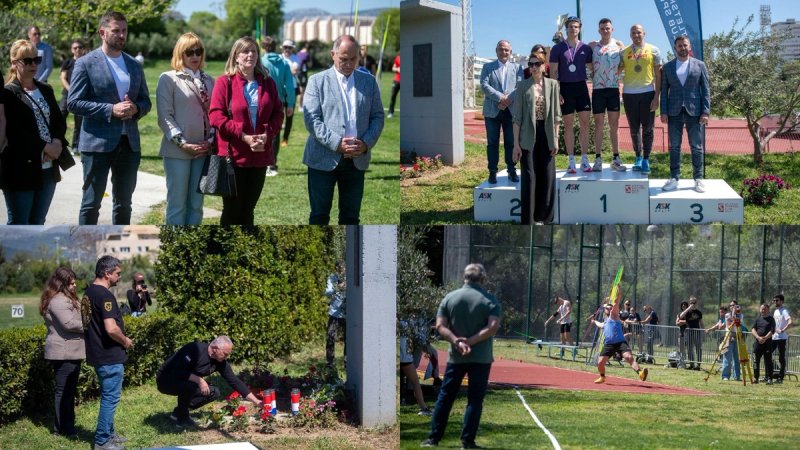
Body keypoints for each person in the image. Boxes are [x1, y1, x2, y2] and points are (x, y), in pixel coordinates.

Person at [67, 11, 152, 225]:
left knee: (124, 203)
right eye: (116, 31)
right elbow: (74, 102)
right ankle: (84, 248)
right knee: (91, 203)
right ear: (102, 33)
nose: (122, 35)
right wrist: (110, 110)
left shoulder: (134, 64)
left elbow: (145, 101)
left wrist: (136, 108)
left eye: (124, 31)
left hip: (129, 144)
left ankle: (118, 245)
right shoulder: (85, 63)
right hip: (97, 145)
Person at [302, 35, 384, 225]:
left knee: (350, 218)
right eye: (343, 58)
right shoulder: (316, 81)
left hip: (357, 160)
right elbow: (311, 119)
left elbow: (378, 117)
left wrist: (365, 144)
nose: (348, 63)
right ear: (333, 54)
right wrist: (337, 143)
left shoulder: (369, 82)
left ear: (359, 57)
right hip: (322, 159)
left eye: (353, 59)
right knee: (319, 216)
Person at [421, 263, 501, 449]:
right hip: (481, 358)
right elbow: (492, 327)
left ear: (464, 277)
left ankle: (433, 438)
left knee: (445, 396)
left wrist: (457, 342)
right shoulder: (490, 300)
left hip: (456, 358)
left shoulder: (450, 298)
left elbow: (440, 326)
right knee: (475, 399)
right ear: (483, 278)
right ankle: (468, 441)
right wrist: (470, 342)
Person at [208, 36, 283, 226]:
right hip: (233, 158)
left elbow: (278, 114)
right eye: (245, 51)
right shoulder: (225, 82)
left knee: (249, 210)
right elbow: (216, 116)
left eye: (254, 51)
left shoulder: (268, 83)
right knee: (233, 210)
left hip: (260, 157)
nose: (250, 55)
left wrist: (267, 135)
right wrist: (243, 136)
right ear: (236, 56)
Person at [2, 39, 68, 224]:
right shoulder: (8, 93)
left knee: (38, 222)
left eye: (36, 60)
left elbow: (58, 121)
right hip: (20, 168)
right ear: (14, 63)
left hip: (48, 169)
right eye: (27, 61)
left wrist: (57, 142)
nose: (33, 65)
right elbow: (14, 131)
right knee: (19, 224)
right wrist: (44, 147)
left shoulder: (45, 89)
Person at [156, 32, 215, 225]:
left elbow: (215, 115)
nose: (195, 56)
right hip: (177, 151)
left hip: (203, 150)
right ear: (180, 53)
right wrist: (182, 143)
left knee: (197, 204)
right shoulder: (168, 79)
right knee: (177, 204)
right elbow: (165, 117)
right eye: (189, 52)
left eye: (198, 51)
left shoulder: (210, 81)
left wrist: (211, 141)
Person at [157, 336, 263, 427]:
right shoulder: (194, 349)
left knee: (213, 392)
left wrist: (257, 401)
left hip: (187, 382)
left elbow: (234, 381)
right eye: (225, 354)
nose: (227, 356)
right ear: (215, 348)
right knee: (190, 386)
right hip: (166, 380)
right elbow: (177, 371)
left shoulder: (219, 361)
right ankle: (182, 419)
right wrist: (199, 380)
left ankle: (179, 412)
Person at [83, 255, 132, 450]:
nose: (120, 277)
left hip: (98, 354)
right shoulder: (104, 296)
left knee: (108, 396)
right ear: (107, 273)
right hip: (109, 356)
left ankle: (110, 435)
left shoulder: (88, 293)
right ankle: (102, 441)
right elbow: (111, 329)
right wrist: (126, 341)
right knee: (110, 398)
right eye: (117, 273)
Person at [512, 51, 560, 224]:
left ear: (543, 66)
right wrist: (516, 145)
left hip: (547, 133)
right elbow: (516, 118)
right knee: (529, 177)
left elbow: (556, 115)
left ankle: (545, 218)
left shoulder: (553, 85)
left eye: (536, 64)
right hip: (527, 134)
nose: (533, 67)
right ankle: (529, 220)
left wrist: (555, 137)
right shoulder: (522, 86)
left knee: (548, 176)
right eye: (530, 64)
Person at [660, 35, 710, 193]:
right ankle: (674, 178)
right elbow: (664, 91)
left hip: (694, 112)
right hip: (674, 112)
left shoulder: (700, 65)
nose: (682, 48)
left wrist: (705, 111)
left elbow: (706, 90)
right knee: (674, 147)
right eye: (679, 46)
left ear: (690, 47)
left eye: (685, 45)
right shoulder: (667, 67)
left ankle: (698, 179)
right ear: (675, 48)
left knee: (696, 147)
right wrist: (663, 111)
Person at [40, 267, 84, 437]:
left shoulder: (65, 298)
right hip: (63, 352)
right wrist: (90, 325)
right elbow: (69, 323)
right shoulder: (58, 300)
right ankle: (61, 428)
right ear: (62, 283)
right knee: (63, 390)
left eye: (74, 282)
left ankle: (67, 425)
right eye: (71, 283)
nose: (74, 285)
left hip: (70, 351)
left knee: (69, 391)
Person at [549, 16, 593, 173]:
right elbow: (553, 72)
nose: (573, 29)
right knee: (568, 125)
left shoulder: (586, 48)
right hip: (566, 88)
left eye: (576, 27)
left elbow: (593, 68)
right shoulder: (557, 48)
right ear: (566, 29)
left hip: (581, 87)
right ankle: (571, 161)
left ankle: (585, 159)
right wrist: (557, 91)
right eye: (570, 27)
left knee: (585, 124)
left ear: (580, 29)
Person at [480, 39, 522, 184]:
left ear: (510, 52)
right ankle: (492, 172)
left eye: (506, 50)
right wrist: (500, 98)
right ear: (496, 50)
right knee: (492, 143)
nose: (504, 52)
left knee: (510, 142)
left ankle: (511, 170)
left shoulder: (517, 68)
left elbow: (520, 86)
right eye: (501, 49)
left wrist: (507, 100)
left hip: (511, 111)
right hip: (492, 111)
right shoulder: (487, 67)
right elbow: (484, 85)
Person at [622, 24, 661, 173]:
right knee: (634, 128)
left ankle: (646, 159)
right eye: (633, 33)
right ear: (630, 35)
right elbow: (617, 68)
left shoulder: (654, 50)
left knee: (648, 128)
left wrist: (656, 96)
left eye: (638, 32)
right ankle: (638, 157)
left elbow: (658, 75)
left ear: (644, 33)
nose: (636, 35)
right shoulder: (624, 52)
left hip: (647, 93)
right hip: (629, 93)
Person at [589, 18, 625, 172]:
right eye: (602, 28)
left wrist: (616, 73)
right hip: (598, 89)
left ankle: (616, 158)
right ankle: (598, 159)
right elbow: (579, 55)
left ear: (612, 29)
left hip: (612, 89)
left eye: (608, 28)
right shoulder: (592, 46)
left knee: (614, 124)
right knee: (598, 124)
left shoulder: (619, 45)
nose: (605, 31)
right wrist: (592, 70)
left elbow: (623, 63)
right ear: (599, 31)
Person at [592, 292, 649, 384]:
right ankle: (602, 377)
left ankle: (641, 373)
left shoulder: (613, 314)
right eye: (606, 308)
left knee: (629, 357)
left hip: (620, 342)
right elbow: (600, 324)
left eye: (609, 307)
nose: (608, 309)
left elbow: (617, 301)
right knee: (600, 363)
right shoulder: (606, 322)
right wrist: (594, 321)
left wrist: (619, 292)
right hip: (609, 344)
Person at [260, 36, 295, 177]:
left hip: (262, 101)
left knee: (261, 131)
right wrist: (291, 103)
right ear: (276, 47)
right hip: (279, 102)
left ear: (263, 47)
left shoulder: (260, 62)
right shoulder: (284, 63)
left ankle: (263, 162)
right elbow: (290, 86)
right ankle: (272, 164)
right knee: (275, 133)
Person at [398, 318, 433, 416]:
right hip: (405, 357)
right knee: (415, 382)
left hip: (403, 356)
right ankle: (423, 408)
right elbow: (419, 336)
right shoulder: (408, 322)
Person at [59, 39, 87, 156]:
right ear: (72, 50)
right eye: (75, 48)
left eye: (80, 47)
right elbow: (63, 77)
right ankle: (58, 142)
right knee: (60, 117)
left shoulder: (86, 62)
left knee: (79, 122)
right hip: (67, 94)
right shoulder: (68, 62)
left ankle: (76, 146)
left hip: (81, 97)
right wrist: (71, 90)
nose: (78, 49)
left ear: (83, 49)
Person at [325, 260, 346, 368]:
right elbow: (327, 292)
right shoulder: (331, 278)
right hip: (334, 312)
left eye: (342, 269)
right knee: (330, 337)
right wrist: (337, 288)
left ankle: (347, 362)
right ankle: (330, 363)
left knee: (349, 338)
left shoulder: (349, 278)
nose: (341, 271)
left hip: (348, 313)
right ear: (336, 269)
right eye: (339, 269)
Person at [279, 40, 300, 148]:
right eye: (285, 47)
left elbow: (294, 71)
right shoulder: (279, 58)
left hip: (292, 89)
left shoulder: (296, 58)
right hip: (280, 90)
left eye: (289, 47)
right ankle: (275, 138)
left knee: (289, 115)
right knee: (278, 114)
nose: (287, 49)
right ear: (282, 48)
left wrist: (281, 71)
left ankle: (285, 139)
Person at [751, 303, 775, 385]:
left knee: (768, 361)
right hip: (757, 343)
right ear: (760, 309)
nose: (763, 310)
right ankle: (755, 378)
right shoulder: (757, 319)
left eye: (765, 309)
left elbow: (772, 331)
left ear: (768, 310)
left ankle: (770, 379)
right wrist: (758, 337)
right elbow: (753, 329)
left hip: (767, 343)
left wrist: (764, 338)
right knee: (755, 361)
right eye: (762, 309)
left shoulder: (771, 319)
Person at [678, 296, 704, 370]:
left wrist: (704, 331)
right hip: (689, 332)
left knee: (698, 349)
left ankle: (698, 365)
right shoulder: (687, 312)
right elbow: (681, 316)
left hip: (697, 332)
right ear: (689, 303)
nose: (692, 303)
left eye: (694, 302)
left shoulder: (699, 312)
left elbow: (701, 323)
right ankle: (691, 364)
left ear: (696, 302)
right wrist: (689, 308)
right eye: (691, 302)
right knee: (689, 349)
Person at [772, 294, 792, 384]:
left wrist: (783, 330)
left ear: (782, 301)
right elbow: (773, 323)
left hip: (781, 338)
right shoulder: (775, 311)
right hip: (774, 337)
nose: (775, 302)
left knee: (781, 358)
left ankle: (781, 377)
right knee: (767, 354)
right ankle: (771, 374)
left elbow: (790, 321)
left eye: (777, 300)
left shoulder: (784, 311)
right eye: (774, 300)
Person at [295, 43, 311, 108]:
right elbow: (310, 65)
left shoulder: (298, 53)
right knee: (302, 89)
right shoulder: (307, 54)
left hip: (297, 72)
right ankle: (300, 105)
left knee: (299, 88)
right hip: (303, 73)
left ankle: (299, 104)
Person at [675, 301, 689, 369]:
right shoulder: (679, 314)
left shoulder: (689, 314)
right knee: (681, 349)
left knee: (688, 349)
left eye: (685, 305)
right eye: (682, 306)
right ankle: (681, 363)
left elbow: (688, 322)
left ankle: (689, 363)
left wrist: (682, 321)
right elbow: (677, 323)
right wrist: (683, 322)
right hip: (681, 334)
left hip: (688, 334)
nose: (684, 306)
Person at [388, 54, 400, 118]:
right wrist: (397, 69)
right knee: (393, 96)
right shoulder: (398, 57)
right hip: (396, 80)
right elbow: (393, 68)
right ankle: (390, 112)